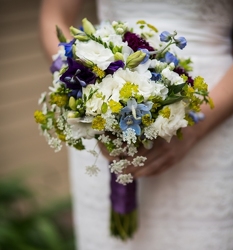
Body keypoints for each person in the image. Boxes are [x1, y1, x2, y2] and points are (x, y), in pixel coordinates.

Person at [39, 0, 233, 249]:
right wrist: (85, 83)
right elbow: (54, 16)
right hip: (100, 94)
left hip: (211, 110)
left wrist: (196, 126)